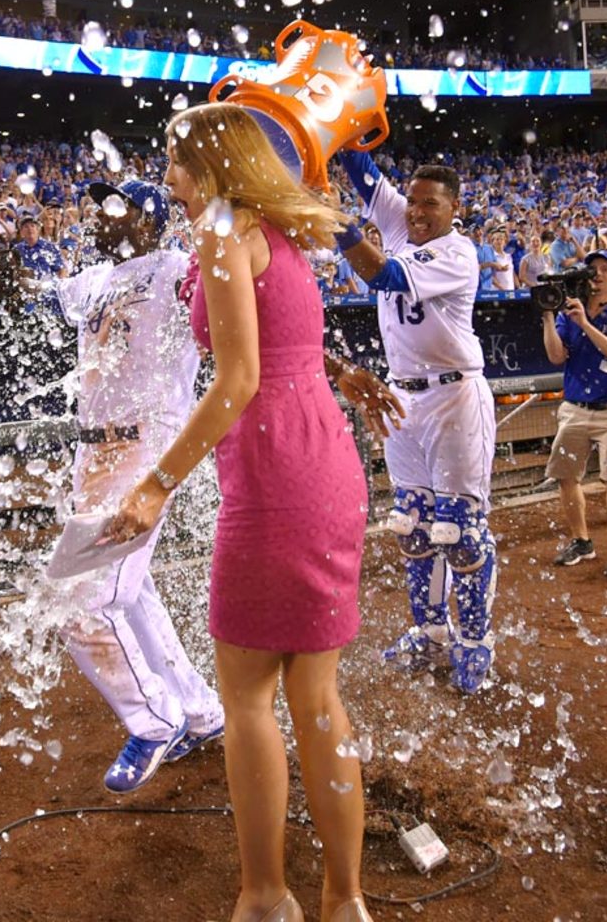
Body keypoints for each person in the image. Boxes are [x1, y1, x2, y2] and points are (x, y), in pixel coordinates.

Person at [107, 104, 381, 922]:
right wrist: (341, 369)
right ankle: (345, 902)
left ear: (211, 163)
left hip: (274, 478)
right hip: (323, 460)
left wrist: (156, 483)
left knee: (250, 696)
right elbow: (285, 339)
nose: (168, 182)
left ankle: (266, 898)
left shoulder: (224, 227)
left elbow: (236, 381)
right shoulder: (276, 223)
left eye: (175, 163)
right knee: (318, 698)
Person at [47, 177, 225, 797]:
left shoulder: (174, 268)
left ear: (145, 221)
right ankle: (199, 713)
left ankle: (153, 721)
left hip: (146, 445)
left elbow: (222, 296)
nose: (100, 214)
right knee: (129, 591)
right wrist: (8, 279)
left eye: (114, 206)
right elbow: (37, 299)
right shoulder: (95, 279)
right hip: (94, 449)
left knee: (81, 601)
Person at [335, 152, 498, 696]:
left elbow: (382, 273)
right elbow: (359, 169)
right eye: (414, 200)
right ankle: (429, 633)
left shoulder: (457, 251)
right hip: (404, 398)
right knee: (413, 526)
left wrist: (335, 223)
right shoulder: (401, 222)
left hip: (453, 396)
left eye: (432, 203)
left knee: (462, 534)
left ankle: (474, 644)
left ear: (456, 208)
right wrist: (338, 118)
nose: (419, 211)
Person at [541, 250, 607, 582]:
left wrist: (584, 322)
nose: (597, 274)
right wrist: (547, 318)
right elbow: (556, 356)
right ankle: (582, 541)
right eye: (593, 269)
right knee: (566, 476)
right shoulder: (569, 314)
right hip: (575, 410)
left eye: (605, 269)